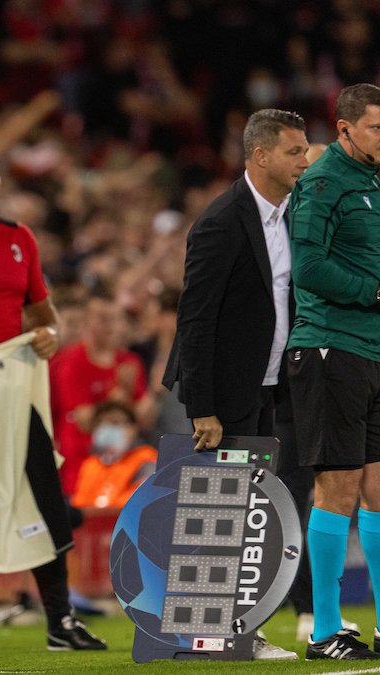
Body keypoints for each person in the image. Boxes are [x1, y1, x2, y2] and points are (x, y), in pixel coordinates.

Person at [162, 108, 318, 656]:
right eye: (295, 151)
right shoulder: (222, 222)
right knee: (219, 518)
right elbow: (195, 320)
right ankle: (218, 634)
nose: (305, 160)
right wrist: (205, 408)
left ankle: (227, 631)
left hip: (267, 385)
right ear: (260, 156)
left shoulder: (286, 213)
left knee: (245, 517)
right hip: (224, 396)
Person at [0, 140, 105, 652]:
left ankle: (60, 620)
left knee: (41, 494)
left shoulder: (20, 239)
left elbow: (42, 314)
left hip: (14, 385)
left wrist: (49, 335)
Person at [287, 83, 380, 661]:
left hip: (371, 351)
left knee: (377, 492)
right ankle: (323, 630)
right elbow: (308, 266)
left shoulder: (373, 183)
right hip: (329, 348)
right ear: (344, 130)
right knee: (338, 488)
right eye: (376, 127)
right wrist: (375, 290)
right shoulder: (322, 184)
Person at [51, 294, 153, 496]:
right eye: (103, 319)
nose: (111, 326)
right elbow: (85, 420)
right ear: (87, 321)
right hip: (80, 468)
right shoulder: (71, 362)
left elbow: (143, 419)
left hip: (122, 469)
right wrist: (122, 395)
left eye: (116, 319)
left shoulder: (129, 361)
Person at [71, 401, 157, 509]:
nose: (109, 430)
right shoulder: (90, 465)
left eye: (116, 423)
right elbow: (79, 505)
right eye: (103, 424)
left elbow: (141, 502)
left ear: (133, 429)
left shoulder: (146, 460)